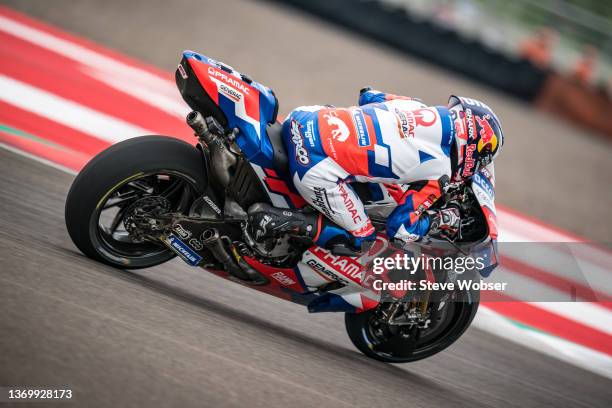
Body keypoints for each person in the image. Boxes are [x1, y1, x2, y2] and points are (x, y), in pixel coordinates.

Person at [248, 88, 504, 253]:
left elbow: (368, 95)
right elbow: (400, 229)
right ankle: (279, 220)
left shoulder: (416, 106)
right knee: (365, 239)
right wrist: (442, 219)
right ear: (472, 151)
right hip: (314, 167)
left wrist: (398, 129)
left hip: (303, 118)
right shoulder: (439, 173)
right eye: (482, 159)